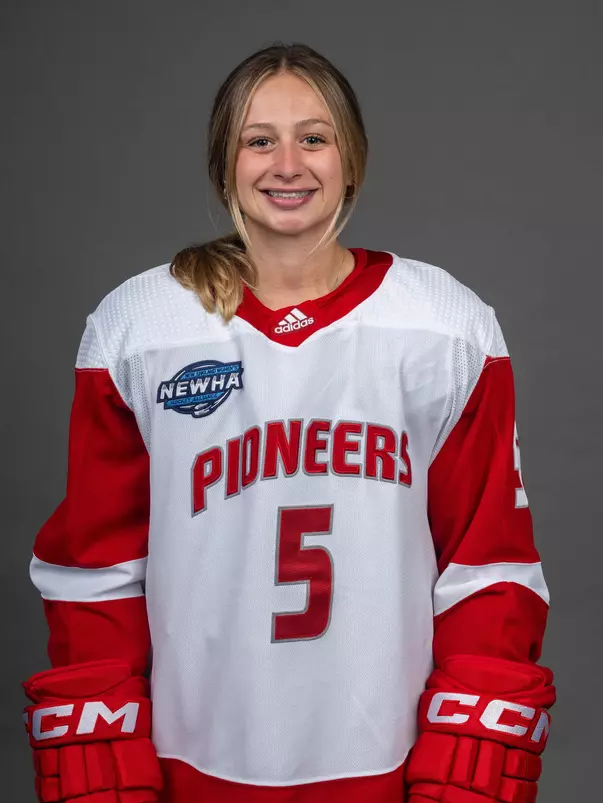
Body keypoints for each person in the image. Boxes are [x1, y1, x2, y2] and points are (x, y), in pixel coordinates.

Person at [23, 43, 555, 803]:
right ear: (225, 162)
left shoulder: (443, 323)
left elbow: (487, 563)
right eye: (258, 140)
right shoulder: (141, 325)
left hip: (387, 754)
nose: (287, 165)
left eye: (313, 138)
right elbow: (97, 568)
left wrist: (469, 743)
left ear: (351, 158)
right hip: (192, 753)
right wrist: (104, 742)